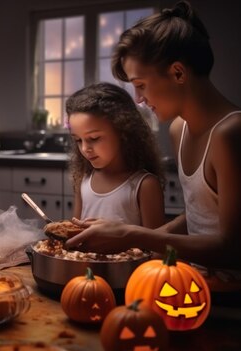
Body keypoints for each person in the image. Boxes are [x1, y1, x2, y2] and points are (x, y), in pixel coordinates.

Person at [66, 1, 241, 298]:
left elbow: (232, 248)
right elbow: (200, 215)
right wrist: (127, 239)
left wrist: (132, 234)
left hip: (226, 296)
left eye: (141, 85)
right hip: (194, 282)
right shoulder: (179, 130)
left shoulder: (230, 133)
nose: (138, 99)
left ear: (177, 73)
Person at [66, 82, 166, 229]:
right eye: (78, 140)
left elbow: (158, 248)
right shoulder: (83, 180)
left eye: (94, 138)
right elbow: (74, 233)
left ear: (123, 132)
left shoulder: (144, 185)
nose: (85, 148)